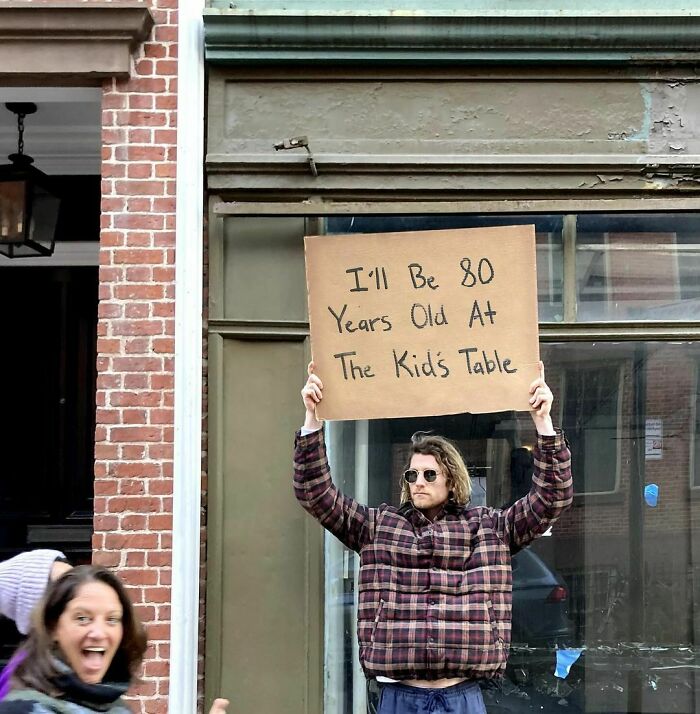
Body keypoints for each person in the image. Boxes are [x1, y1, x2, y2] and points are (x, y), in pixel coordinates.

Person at [294, 361, 573, 714]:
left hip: (462, 695)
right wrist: (312, 418)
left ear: (451, 478)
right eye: (412, 474)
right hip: (399, 697)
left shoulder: (490, 529)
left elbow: (552, 498)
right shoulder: (379, 526)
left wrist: (543, 423)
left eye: (429, 473)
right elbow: (316, 494)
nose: (419, 481)